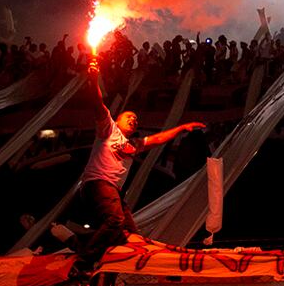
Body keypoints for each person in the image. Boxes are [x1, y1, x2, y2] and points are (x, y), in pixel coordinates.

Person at [79, 62, 205, 264]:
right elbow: (97, 103)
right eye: (129, 117)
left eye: (136, 120)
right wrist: (93, 81)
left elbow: (157, 139)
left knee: (130, 233)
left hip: (114, 191)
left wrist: (181, 128)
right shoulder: (108, 129)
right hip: (98, 183)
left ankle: (118, 264)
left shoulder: (134, 145)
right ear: (118, 120)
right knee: (115, 220)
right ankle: (84, 260)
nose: (133, 120)